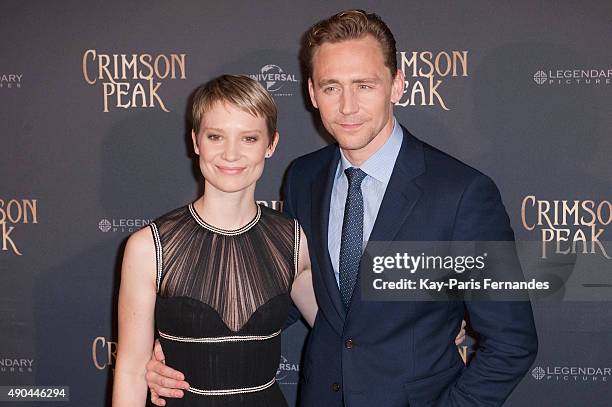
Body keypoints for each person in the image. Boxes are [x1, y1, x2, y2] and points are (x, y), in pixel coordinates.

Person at [145, 9, 538, 407]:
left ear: (396, 85)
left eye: (364, 85)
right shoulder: (304, 177)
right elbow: (293, 295)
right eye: (331, 87)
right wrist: (189, 349)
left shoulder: (463, 193)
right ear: (312, 93)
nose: (347, 106)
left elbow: (512, 343)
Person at [112, 74, 318, 407]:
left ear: (271, 144)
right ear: (196, 141)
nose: (231, 154)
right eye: (215, 136)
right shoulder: (149, 247)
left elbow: (341, 335)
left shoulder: (294, 240)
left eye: (249, 138)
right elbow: (132, 372)